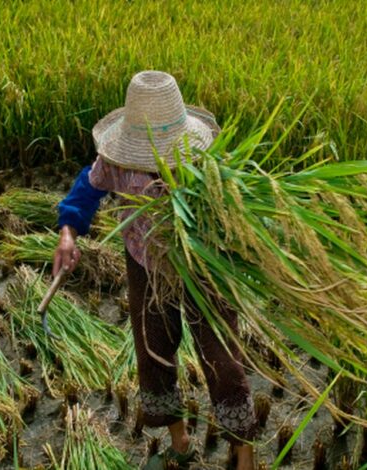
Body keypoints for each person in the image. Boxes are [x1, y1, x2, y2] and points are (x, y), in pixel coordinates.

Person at [53, 71, 257, 470]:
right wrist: (67, 233)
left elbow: (237, 209)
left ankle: (244, 451)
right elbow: (86, 190)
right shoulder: (116, 162)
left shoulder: (205, 161)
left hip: (202, 264)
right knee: (154, 350)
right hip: (145, 263)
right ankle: (179, 439)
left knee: (221, 356)